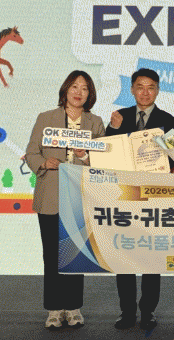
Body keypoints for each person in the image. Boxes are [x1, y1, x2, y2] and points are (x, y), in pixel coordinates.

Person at [25, 71, 105, 330]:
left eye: (84, 88)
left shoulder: (95, 123)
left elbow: (103, 162)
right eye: (74, 86)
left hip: (79, 197)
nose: (78, 92)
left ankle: (73, 307)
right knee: (51, 254)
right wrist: (43, 163)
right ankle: (53, 309)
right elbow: (31, 152)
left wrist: (84, 157)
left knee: (75, 254)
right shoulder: (46, 118)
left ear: (90, 94)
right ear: (65, 90)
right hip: (51, 195)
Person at [106, 68, 174, 331]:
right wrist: (112, 129)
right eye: (140, 86)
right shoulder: (119, 116)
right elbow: (106, 153)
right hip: (124, 197)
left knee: (150, 256)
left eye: (150, 87)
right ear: (132, 89)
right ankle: (126, 311)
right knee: (124, 255)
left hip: (154, 198)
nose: (145, 92)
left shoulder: (168, 120)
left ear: (157, 90)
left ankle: (148, 311)